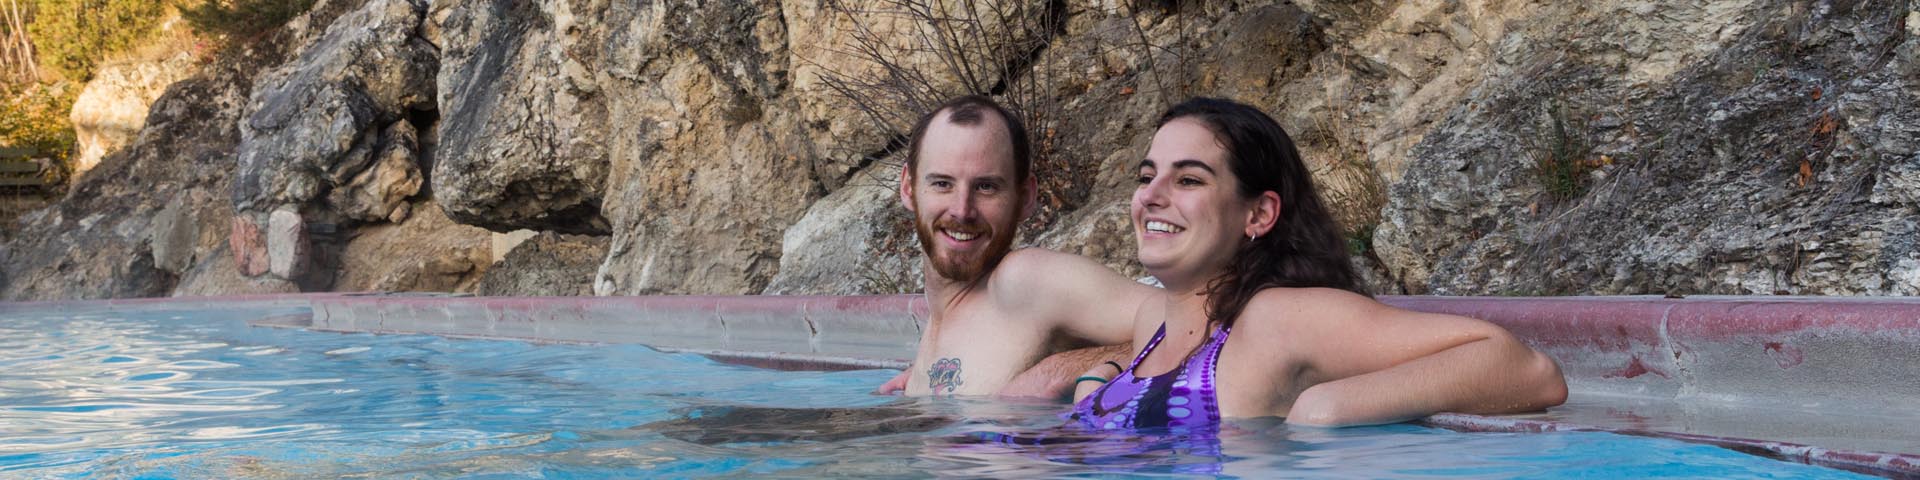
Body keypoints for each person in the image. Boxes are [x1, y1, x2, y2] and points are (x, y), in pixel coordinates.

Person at [1069, 98, 1567, 428]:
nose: (1151, 196)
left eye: (1189, 180)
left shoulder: (1276, 319)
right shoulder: (1154, 321)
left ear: (1258, 214)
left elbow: (1527, 369)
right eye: (1146, 175)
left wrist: (1325, 408)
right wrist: (1095, 383)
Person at [876, 95, 1148, 398]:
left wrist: (1062, 369)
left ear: (1026, 197)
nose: (962, 210)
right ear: (908, 187)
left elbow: (1204, 326)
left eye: (986, 187)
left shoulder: (1027, 281)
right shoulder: (942, 322)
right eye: (942, 183)